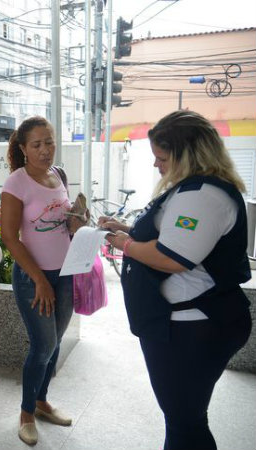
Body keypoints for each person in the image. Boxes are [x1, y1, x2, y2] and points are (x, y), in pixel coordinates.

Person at [101, 110, 252, 450]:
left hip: (191, 328)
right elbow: (172, 236)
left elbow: (173, 257)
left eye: (162, 158)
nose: (157, 166)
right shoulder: (193, 191)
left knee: (185, 422)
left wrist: (126, 244)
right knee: (183, 417)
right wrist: (126, 229)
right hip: (183, 324)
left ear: (188, 155)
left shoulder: (202, 196)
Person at [0, 116, 74, 446]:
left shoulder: (58, 175)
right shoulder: (16, 182)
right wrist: (40, 280)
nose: (45, 150)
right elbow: (10, 237)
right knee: (42, 345)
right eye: (37, 145)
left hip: (66, 273)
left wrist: (78, 221)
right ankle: (26, 413)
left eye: (49, 142)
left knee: (55, 343)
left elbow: (63, 224)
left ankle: (42, 402)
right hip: (34, 278)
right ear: (24, 149)